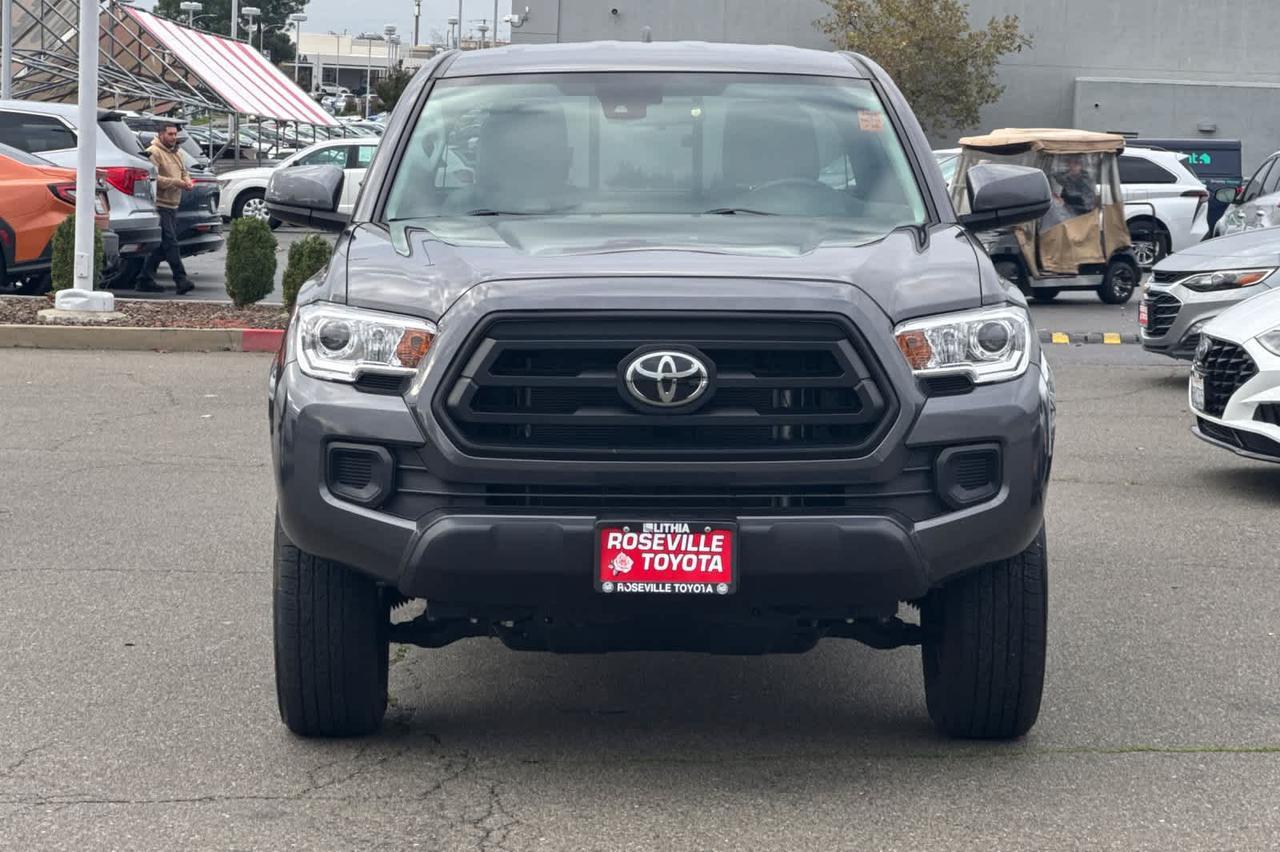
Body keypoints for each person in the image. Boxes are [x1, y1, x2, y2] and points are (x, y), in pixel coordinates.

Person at [137, 123, 195, 294]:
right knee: (171, 242)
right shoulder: (154, 152)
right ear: (161, 134)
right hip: (160, 204)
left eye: (175, 134)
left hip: (173, 204)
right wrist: (176, 183)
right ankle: (181, 279)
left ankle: (144, 279)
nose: (173, 137)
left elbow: (184, 172)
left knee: (161, 245)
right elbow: (153, 178)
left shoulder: (177, 152)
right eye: (170, 134)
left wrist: (187, 181)